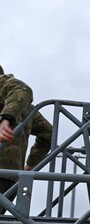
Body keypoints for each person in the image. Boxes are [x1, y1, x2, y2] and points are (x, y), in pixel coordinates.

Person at [0, 66, 52, 198]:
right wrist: (30, 165)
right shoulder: (28, 110)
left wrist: (5, 119)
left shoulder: (8, 87)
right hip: (10, 178)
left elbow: (23, 90)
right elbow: (49, 134)